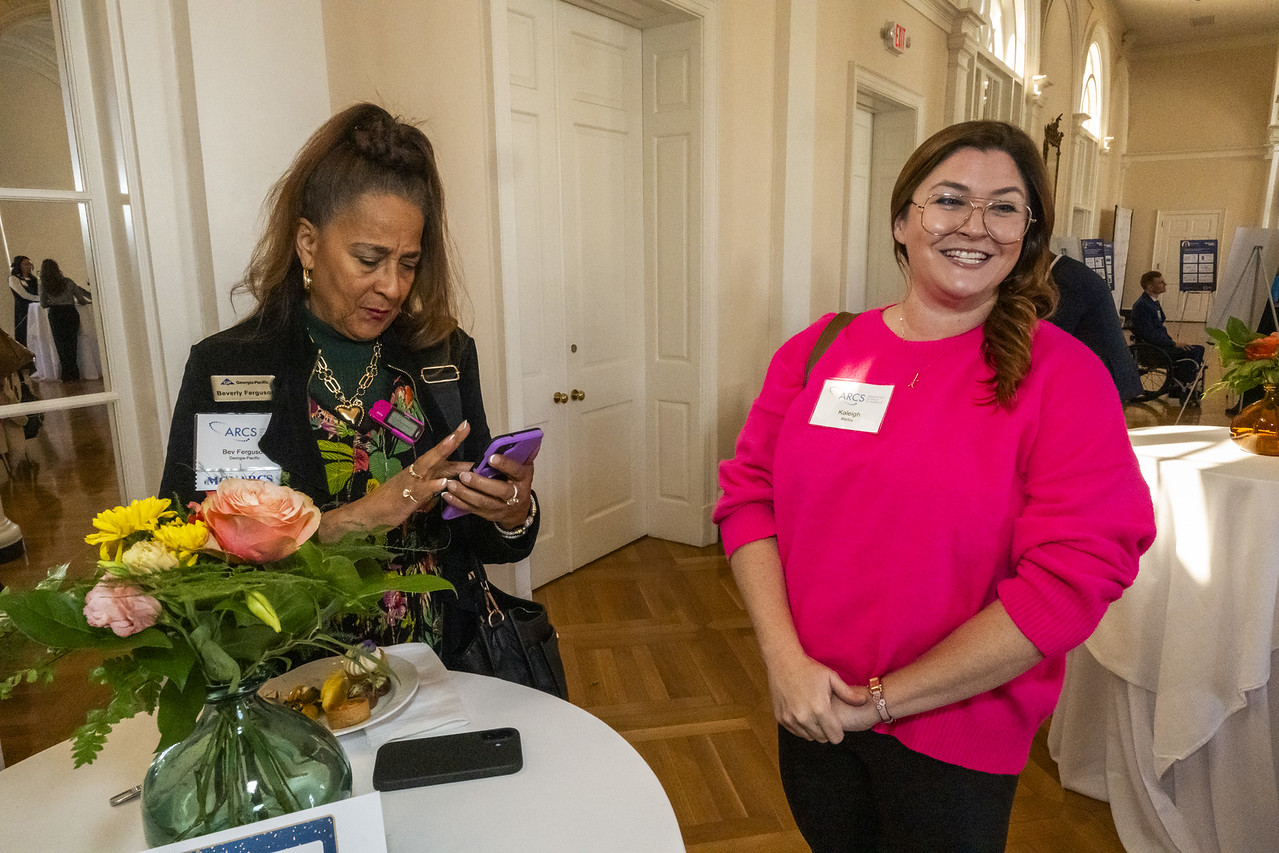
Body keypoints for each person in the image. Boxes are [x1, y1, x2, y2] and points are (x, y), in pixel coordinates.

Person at [714, 120, 1155, 852]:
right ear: (901, 220)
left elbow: (1074, 576)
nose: (974, 226)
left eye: (1003, 207)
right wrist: (784, 661)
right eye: (949, 200)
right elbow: (748, 499)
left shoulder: (1064, 377)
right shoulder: (819, 350)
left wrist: (884, 701)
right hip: (812, 707)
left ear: (1028, 234)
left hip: (956, 734)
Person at [159, 102, 540, 654]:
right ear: (308, 244)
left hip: (441, 661)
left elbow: (486, 540)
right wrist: (356, 520)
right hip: (297, 668)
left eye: (408, 263)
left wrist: (512, 512)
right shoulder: (230, 369)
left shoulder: (444, 355)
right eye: (369, 259)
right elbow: (195, 555)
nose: (392, 287)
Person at [1047, 253, 1141, 401]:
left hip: (1100, 378)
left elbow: (1052, 336)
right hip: (1104, 373)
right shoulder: (1069, 270)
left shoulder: (1067, 279)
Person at [1129, 270, 1205, 401]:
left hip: (1160, 344)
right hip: (1153, 349)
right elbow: (1150, 334)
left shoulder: (1153, 303)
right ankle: (1179, 386)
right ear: (1150, 287)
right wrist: (1173, 343)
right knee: (1194, 351)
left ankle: (1180, 384)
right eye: (1160, 282)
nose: (1165, 284)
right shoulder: (1142, 306)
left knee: (1198, 349)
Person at [37, 258, 91, 381]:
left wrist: (53, 302)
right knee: (72, 343)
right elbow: (81, 298)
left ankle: (66, 374)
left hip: (56, 314)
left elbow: (43, 304)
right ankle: (75, 373)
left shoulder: (44, 286)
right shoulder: (68, 282)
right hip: (70, 312)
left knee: (60, 345)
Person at [8, 256, 39, 347]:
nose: (29, 266)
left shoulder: (34, 279)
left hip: (36, 311)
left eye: (30, 264)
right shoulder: (14, 279)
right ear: (19, 266)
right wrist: (40, 299)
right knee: (24, 335)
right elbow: (24, 295)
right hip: (23, 312)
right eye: (25, 264)